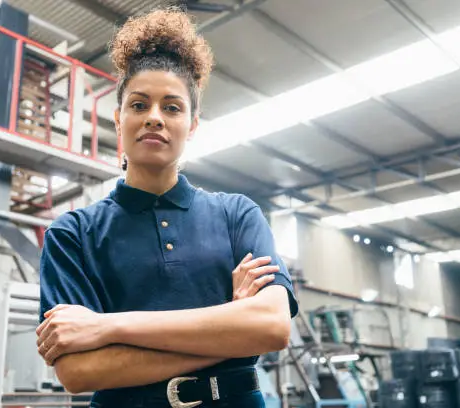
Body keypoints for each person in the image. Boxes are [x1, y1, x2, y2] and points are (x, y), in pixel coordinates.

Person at [36, 7, 298, 408]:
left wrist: (106, 327)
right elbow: (78, 372)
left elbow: (272, 326)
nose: (154, 118)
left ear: (193, 124)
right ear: (118, 119)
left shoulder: (238, 215)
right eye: (139, 105)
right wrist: (230, 328)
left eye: (172, 107)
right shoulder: (73, 234)